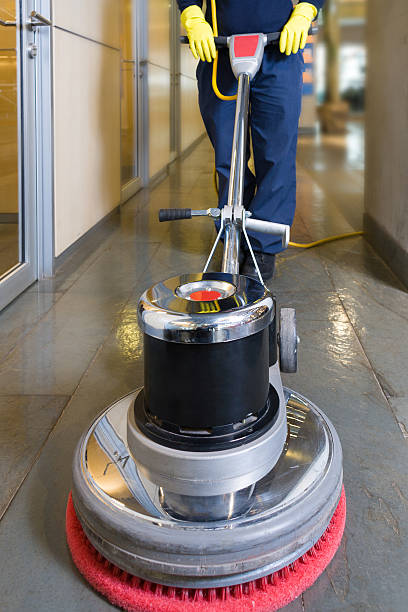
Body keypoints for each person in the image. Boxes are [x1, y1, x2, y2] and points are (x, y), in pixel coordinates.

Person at [177, 0, 324, 280]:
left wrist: (306, 10)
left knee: (275, 153)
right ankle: (233, 234)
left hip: (279, 48)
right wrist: (193, 14)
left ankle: (262, 247)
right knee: (228, 153)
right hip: (220, 49)